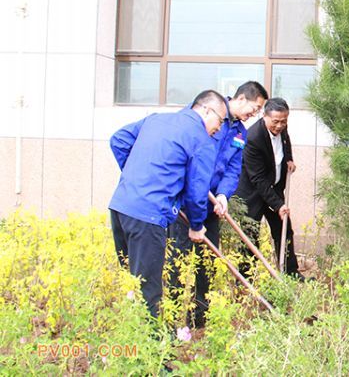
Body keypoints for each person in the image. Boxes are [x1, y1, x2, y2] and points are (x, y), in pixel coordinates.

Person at [109, 90, 227, 318]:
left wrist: (139, 176)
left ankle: (131, 331)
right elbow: (197, 191)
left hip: (121, 206)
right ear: (205, 110)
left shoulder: (156, 119)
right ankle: (154, 348)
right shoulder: (201, 140)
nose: (219, 129)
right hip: (148, 217)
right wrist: (196, 225)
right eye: (220, 121)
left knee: (131, 280)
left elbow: (119, 140)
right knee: (148, 288)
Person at [167, 81, 268, 329]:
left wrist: (223, 195)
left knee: (208, 263)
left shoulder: (240, 133)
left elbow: (233, 169)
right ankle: (169, 320)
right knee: (177, 262)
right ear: (242, 99)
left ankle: (199, 320)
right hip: (185, 204)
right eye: (255, 108)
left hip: (211, 206)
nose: (254, 114)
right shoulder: (208, 114)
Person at [233, 97, 303, 278]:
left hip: (273, 187)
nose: (280, 126)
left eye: (284, 121)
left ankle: (290, 273)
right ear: (264, 117)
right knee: (250, 235)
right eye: (276, 122)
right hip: (252, 193)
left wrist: (289, 159)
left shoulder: (282, 128)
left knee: (284, 229)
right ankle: (247, 280)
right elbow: (257, 179)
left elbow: (285, 142)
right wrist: (278, 204)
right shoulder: (252, 137)